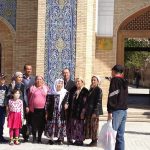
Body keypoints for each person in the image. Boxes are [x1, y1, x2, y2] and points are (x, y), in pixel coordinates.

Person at [107, 64, 128, 150]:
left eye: (112, 71)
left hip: (116, 110)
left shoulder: (115, 80)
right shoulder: (123, 80)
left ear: (114, 71)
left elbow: (112, 95)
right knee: (120, 136)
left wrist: (109, 111)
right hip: (124, 110)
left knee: (112, 134)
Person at [45, 79, 69, 145]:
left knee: (60, 125)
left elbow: (67, 101)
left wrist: (67, 104)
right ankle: (51, 139)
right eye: (58, 83)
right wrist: (46, 112)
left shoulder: (65, 92)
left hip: (61, 112)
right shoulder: (51, 92)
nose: (60, 85)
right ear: (55, 84)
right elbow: (47, 103)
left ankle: (60, 139)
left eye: (61, 83)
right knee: (51, 125)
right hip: (52, 112)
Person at [67, 77, 88, 146]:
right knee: (73, 125)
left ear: (82, 82)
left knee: (80, 126)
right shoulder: (73, 90)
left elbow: (86, 103)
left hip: (80, 111)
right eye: (76, 82)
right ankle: (75, 139)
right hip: (73, 111)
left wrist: (83, 112)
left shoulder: (85, 91)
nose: (77, 83)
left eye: (79, 81)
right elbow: (69, 100)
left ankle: (80, 140)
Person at [28, 75, 49, 143]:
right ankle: (34, 138)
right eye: (37, 79)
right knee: (33, 124)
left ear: (43, 80)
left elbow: (48, 99)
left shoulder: (46, 88)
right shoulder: (32, 88)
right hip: (33, 109)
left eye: (40, 79)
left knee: (41, 124)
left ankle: (39, 138)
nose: (39, 80)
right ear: (35, 80)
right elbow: (28, 97)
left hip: (43, 110)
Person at [84, 75, 103, 146]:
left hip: (94, 112)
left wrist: (95, 112)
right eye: (92, 80)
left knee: (94, 126)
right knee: (90, 126)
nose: (93, 81)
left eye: (94, 80)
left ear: (98, 82)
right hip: (89, 111)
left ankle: (95, 141)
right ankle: (93, 140)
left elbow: (98, 101)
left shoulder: (99, 90)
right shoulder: (91, 89)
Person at [22, 64, 35, 141]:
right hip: (22, 103)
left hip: (31, 103)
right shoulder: (21, 78)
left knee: (29, 120)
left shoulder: (33, 79)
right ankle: (23, 135)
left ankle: (28, 134)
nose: (29, 70)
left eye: (30, 69)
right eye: (27, 69)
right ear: (24, 70)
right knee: (22, 120)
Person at [62, 68, 75, 144]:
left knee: (69, 122)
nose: (65, 74)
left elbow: (73, 95)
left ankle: (69, 138)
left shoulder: (73, 84)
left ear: (70, 73)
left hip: (69, 106)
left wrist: (68, 103)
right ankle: (61, 137)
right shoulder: (60, 82)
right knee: (62, 122)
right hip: (61, 106)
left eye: (67, 73)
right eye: (64, 73)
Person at [0, 73, 8, 143]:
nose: (2, 80)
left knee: (1, 123)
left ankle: (1, 136)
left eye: (3, 78)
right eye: (1, 78)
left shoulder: (6, 87)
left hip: (2, 108)